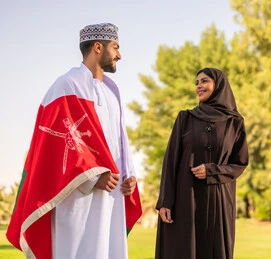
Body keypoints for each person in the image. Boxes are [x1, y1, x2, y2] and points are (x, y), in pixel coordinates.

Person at [6, 23, 142, 259]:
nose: (120, 55)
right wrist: (92, 177)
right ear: (98, 47)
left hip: (113, 193)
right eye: (116, 47)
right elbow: (55, 141)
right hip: (78, 193)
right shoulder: (66, 85)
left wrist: (129, 175)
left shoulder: (113, 92)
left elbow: (120, 139)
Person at [155, 67, 249, 259]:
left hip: (219, 199)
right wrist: (165, 201)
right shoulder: (185, 118)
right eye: (197, 83)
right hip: (185, 199)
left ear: (218, 84)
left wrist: (212, 171)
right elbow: (171, 160)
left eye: (204, 81)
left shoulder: (235, 123)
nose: (199, 86)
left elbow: (240, 163)